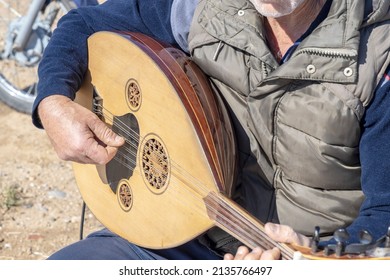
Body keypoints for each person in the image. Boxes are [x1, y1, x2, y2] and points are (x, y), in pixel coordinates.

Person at [32, 0, 390, 260]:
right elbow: (85, 24)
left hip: (308, 257)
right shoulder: (203, 8)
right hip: (180, 235)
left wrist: (315, 255)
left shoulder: (378, 55)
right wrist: (52, 101)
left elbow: (383, 221)